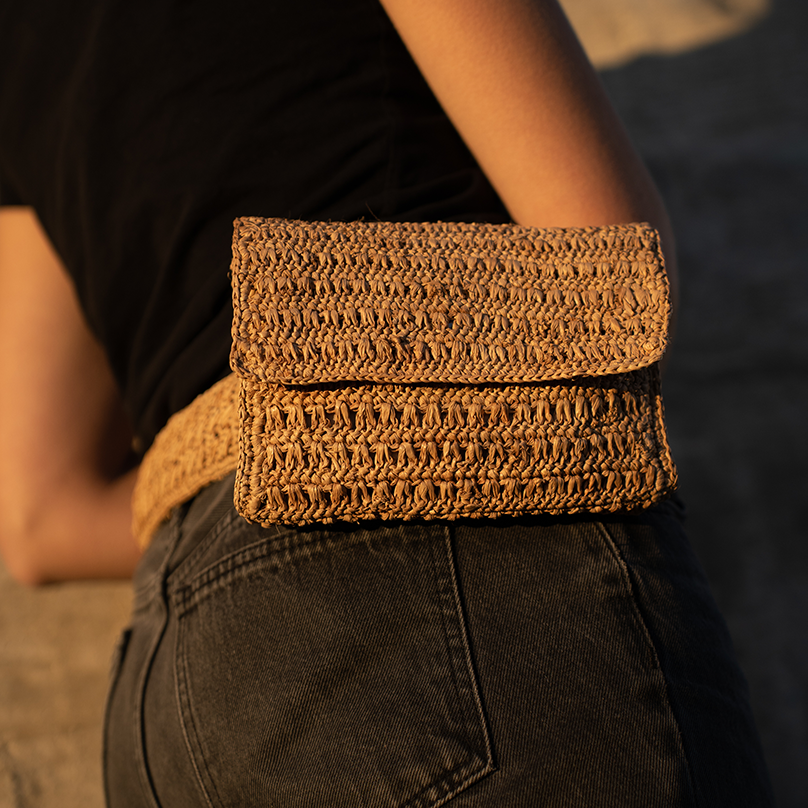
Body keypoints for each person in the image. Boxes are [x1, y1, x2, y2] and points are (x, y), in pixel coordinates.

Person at [0, 0, 774, 805]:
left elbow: (39, 518)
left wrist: (269, 456)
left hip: (173, 707)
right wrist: (347, 437)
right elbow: (613, 268)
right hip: (435, 610)